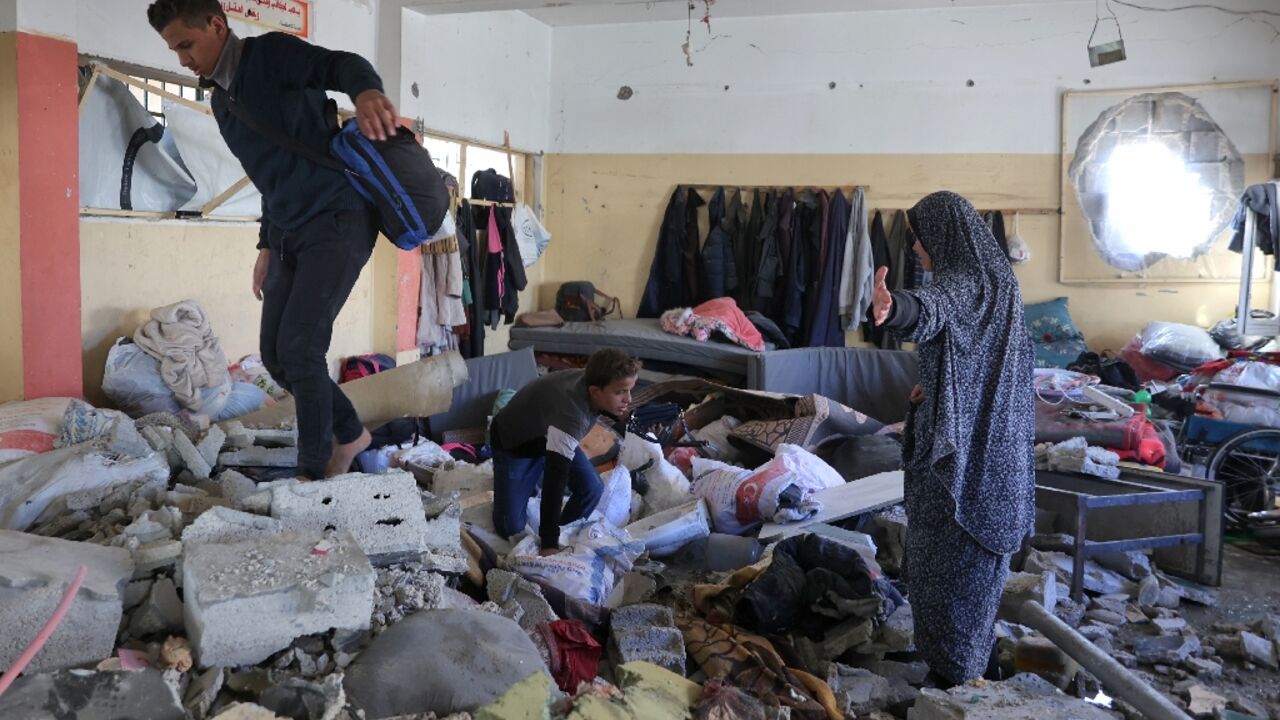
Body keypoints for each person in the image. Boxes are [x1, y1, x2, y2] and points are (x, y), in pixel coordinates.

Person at [147, 0, 402, 479]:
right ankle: (352, 433)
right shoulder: (222, 99)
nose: (182, 59)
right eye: (173, 50)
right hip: (287, 229)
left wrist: (367, 91)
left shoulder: (269, 56)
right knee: (276, 354)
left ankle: (313, 472)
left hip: (338, 219)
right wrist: (266, 244)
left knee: (303, 346)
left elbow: (338, 64)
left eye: (186, 44)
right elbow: (269, 177)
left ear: (216, 25)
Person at [870, 191, 1035, 686]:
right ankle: (963, 664)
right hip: (998, 455)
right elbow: (974, 353)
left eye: (919, 239)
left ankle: (954, 684)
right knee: (967, 585)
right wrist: (940, 390)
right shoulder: (1000, 281)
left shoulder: (966, 283)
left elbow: (932, 308)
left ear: (942, 236)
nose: (917, 249)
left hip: (970, 473)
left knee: (954, 579)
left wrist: (894, 306)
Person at [490, 349, 641, 553]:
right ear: (596, 391)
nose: (628, 399)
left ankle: (565, 532)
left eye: (630, 389)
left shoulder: (593, 379)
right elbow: (555, 481)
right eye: (620, 392)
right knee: (510, 528)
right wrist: (548, 544)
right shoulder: (571, 416)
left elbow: (603, 406)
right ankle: (551, 534)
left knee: (592, 488)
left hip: (548, 433)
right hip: (514, 443)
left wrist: (556, 535)